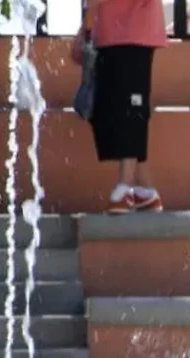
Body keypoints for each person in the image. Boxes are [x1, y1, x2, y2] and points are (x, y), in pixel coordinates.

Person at [71, 0, 167, 214]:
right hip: (106, 34)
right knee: (110, 111)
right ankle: (145, 190)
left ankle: (126, 185)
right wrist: (85, 31)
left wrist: (86, 29)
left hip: (136, 32)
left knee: (131, 109)